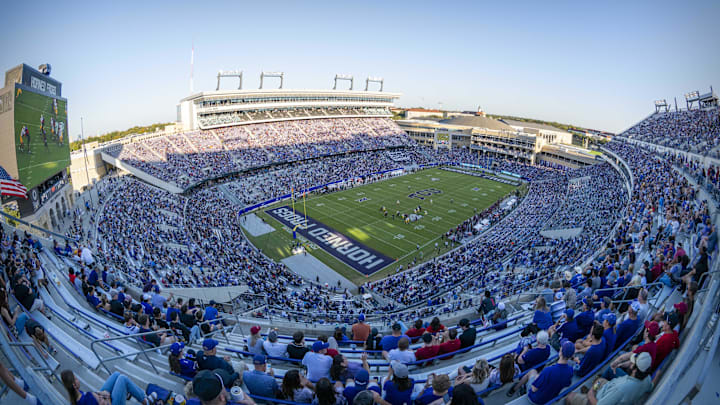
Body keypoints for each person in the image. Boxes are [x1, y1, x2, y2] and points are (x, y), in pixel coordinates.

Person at [565, 352, 653, 405]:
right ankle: (590, 390)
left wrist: (591, 394)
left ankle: (587, 395)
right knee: (599, 380)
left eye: (632, 363)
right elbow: (651, 387)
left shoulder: (620, 389)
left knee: (569, 397)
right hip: (606, 388)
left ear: (634, 369)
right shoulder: (647, 379)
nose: (630, 363)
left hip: (598, 399)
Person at [61, 369, 157, 405]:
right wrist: (107, 398)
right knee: (122, 378)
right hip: (108, 403)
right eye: (75, 378)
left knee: (116, 374)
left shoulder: (75, 398)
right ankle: (145, 401)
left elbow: (93, 397)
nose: (78, 379)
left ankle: (124, 392)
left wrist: (100, 394)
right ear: (74, 385)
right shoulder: (87, 398)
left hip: (100, 399)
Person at [522, 339, 575, 404]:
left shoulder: (548, 370)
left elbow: (533, 389)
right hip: (549, 400)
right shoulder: (570, 371)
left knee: (532, 371)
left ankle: (516, 389)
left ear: (560, 352)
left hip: (535, 399)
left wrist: (537, 378)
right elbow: (565, 384)